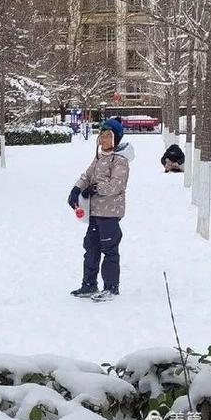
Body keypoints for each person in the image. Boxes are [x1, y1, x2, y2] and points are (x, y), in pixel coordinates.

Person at [67, 119, 135, 302]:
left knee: (109, 249)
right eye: (102, 135)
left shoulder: (120, 160)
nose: (103, 139)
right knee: (91, 248)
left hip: (110, 213)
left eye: (108, 136)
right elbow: (87, 176)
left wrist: (96, 189)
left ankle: (111, 287)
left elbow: (116, 185)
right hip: (95, 212)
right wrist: (76, 189)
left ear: (116, 138)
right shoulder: (99, 157)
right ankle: (89, 284)